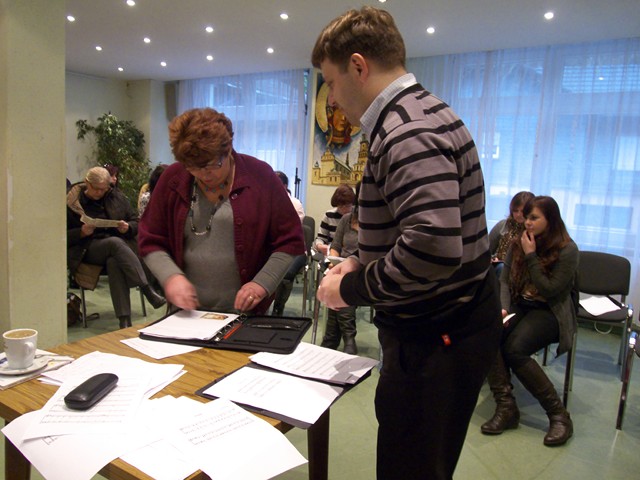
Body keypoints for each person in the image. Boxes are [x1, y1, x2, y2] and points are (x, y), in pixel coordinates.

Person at [312, 7, 502, 479]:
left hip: (438, 336)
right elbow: (411, 226)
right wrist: (361, 260)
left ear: (358, 66)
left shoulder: (407, 130)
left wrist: (349, 289)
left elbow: (431, 249)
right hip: (448, 324)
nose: (331, 99)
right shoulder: (420, 112)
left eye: (330, 82)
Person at [138, 108, 305, 314]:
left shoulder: (260, 176)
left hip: (245, 313)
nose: (204, 175)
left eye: (213, 165)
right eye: (193, 167)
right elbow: (150, 238)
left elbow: (289, 240)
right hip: (186, 313)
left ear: (229, 150)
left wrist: (261, 284)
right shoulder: (173, 179)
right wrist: (171, 276)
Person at [481, 195, 577, 447]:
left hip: (551, 311)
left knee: (514, 349)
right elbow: (503, 281)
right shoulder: (518, 242)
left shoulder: (567, 249)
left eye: (534, 218)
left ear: (550, 220)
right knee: (489, 335)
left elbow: (550, 290)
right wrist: (503, 308)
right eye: (526, 217)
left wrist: (531, 255)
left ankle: (559, 416)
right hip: (521, 304)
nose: (527, 222)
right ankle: (506, 408)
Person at [67, 166, 166, 329]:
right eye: (96, 189)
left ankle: (124, 320)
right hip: (87, 248)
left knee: (114, 262)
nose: (100, 193)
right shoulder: (72, 202)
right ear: (87, 183)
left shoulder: (115, 196)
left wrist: (127, 228)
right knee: (114, 243)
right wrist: (81, 232)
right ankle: (147, 289)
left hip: (119, 251)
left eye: (103, 189)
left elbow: (136, 221)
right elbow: (60, 237)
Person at [321, 182, 360, 354]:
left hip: (361, 268)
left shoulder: (373, 222)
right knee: (335, 279)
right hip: (341, 264)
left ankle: (334, 339)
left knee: (343, 283)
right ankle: (346, 338)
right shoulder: (346, 220)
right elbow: (336, 245)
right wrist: (333, 261)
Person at [271, 171, 306, 316]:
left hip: (293, 249)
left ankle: (278, 309)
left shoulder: (295, 204)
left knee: (286, 273)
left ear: (285, 186)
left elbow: (291, 230)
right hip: (271, 248)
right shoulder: (264, 202)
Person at [489, 191, 535, 278]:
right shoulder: (503, 225)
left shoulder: (534, 230)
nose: (518, 214)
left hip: (524, 269)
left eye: (522, 211)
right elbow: (487, 249)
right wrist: (492, 258)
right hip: (499, 265)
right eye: (515, 211)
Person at [314, 183, 355, 255]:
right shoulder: (329, 215)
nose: (344, 209)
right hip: (332, 253)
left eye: (347, 206)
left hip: (351, 254)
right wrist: (320, 246)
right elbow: (321, 238)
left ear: (353, 204)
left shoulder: (357, 217)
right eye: (341, 206)